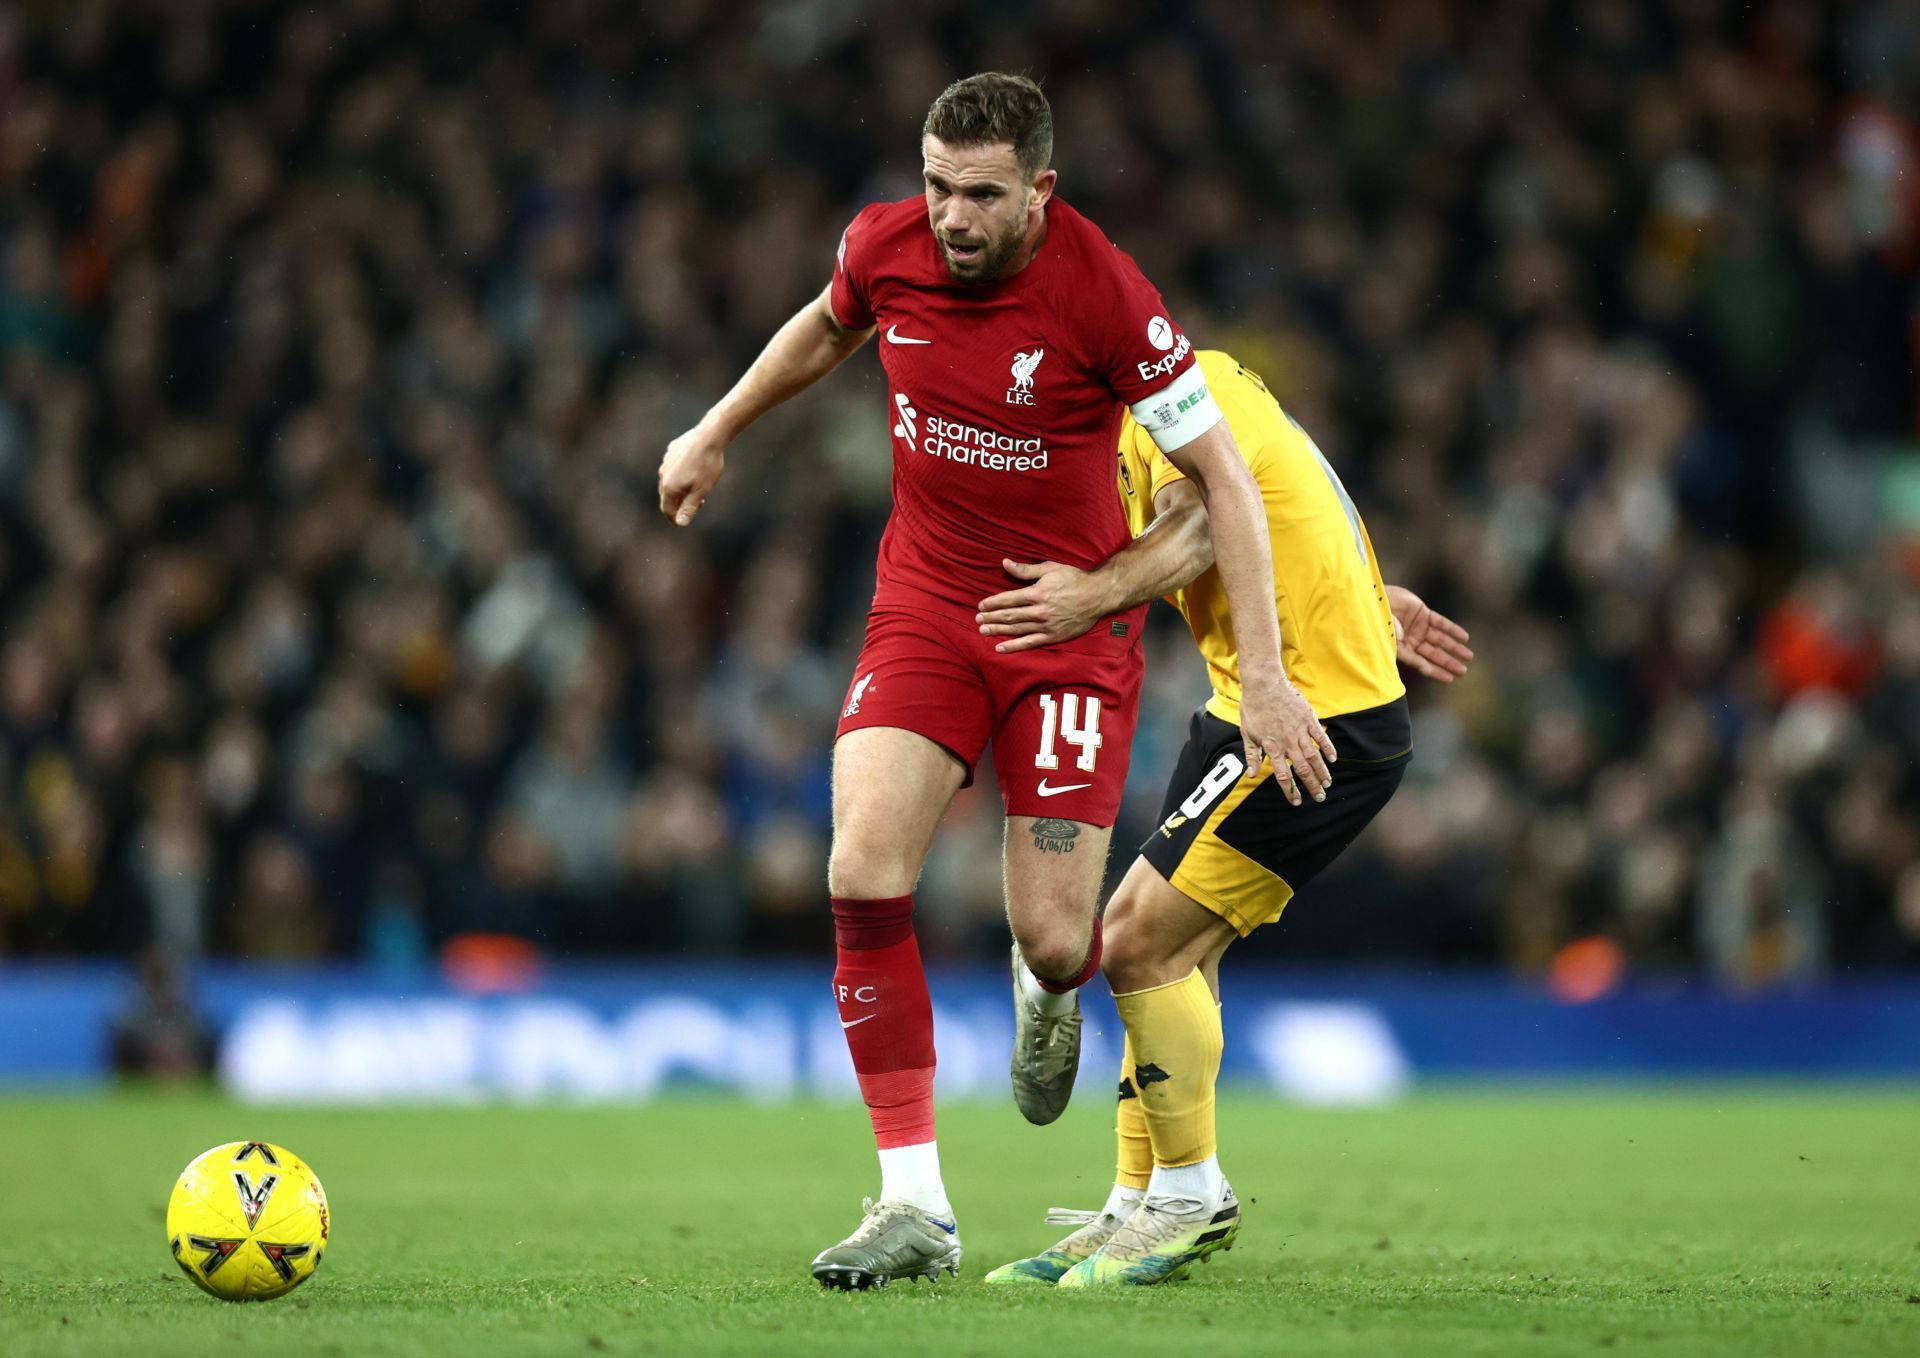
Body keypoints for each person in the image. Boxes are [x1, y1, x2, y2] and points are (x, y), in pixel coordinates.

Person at [658, 76, 1331, 1289]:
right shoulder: (886, 246)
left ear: (1039, 192)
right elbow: (825, 324)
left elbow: (1223, 481)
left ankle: (1045, 977)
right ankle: (913, 1202)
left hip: (1069, 632)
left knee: (1059, 936)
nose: (951, 218)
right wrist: (716, 427)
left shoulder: (1105, 292)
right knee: (862, 869)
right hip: (924, 606)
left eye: (979, 195)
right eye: (935, 186)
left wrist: (1246, 662)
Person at [973, 349, 1473, 1287]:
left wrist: (1087, 595)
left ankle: (1191, 1197)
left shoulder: (1150, 414)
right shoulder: (1193, 391)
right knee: (1167, 955)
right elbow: (1294, 488)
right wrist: (1367, 599)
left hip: (1304, 716)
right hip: (1254, 703)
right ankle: (1135, 1203)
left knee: (1132, 942)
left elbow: (1201, 526)